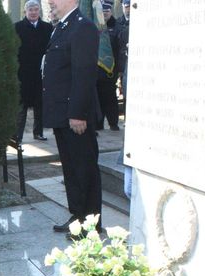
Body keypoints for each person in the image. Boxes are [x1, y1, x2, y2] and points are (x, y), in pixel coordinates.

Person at [43, 0, 102, 235]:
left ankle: (91, 224)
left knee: (84, 169)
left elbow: (84, 74)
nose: (50, 2)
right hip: (62, 113)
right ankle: (77, 216)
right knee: (70, 169)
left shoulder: (83, 27)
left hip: (75, 115)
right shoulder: (63, 26)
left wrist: (77, 113)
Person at [14, 0, 52, 142]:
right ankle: (18, 135)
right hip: (23, 72)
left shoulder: (47, 28)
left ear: (39, 11)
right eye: (31, 10)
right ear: (25, 12)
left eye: (36, 9)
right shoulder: (17, 27)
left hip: (41, 72)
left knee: (40, 104)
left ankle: (38, 132)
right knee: (21, 106)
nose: (34, 12)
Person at [96, 1, 120, 131]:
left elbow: (119, 49)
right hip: (96, 70)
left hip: (111, 70)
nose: (104, 14)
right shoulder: (95, 26)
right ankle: (98, 124)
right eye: (102, 12)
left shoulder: (116, 27)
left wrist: (118, 70)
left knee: (110, 98)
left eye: (107, 12)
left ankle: (113, 123)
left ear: (111, 12)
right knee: (98, 99)